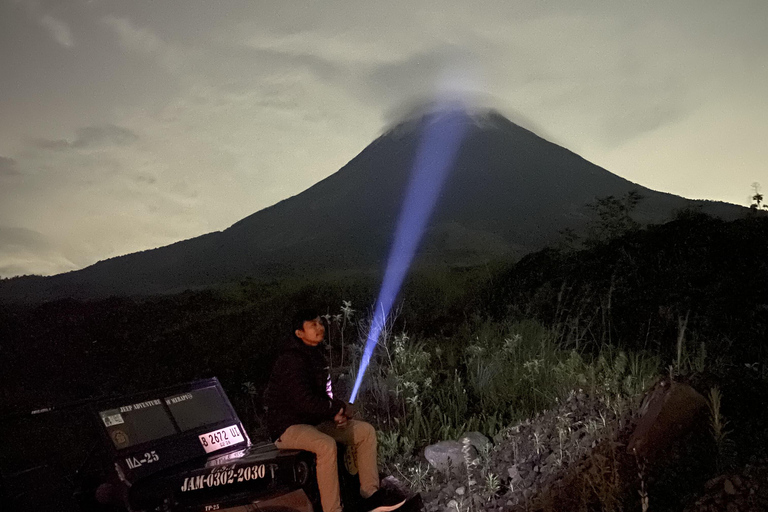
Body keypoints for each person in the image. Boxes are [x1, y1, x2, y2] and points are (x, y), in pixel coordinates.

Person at [265, 308, 405, 512]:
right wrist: (335, 409)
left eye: (320, 322)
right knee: (326, 445)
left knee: (365, 432)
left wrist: (338, 412)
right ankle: (333, 509)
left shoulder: (316, 356)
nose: (319, 327)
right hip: (287, 427)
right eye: (312, 324)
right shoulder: (291, 360)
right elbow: (303, 401)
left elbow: (324, 397)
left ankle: (371, 496)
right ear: (299, 333)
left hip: (314, 422)